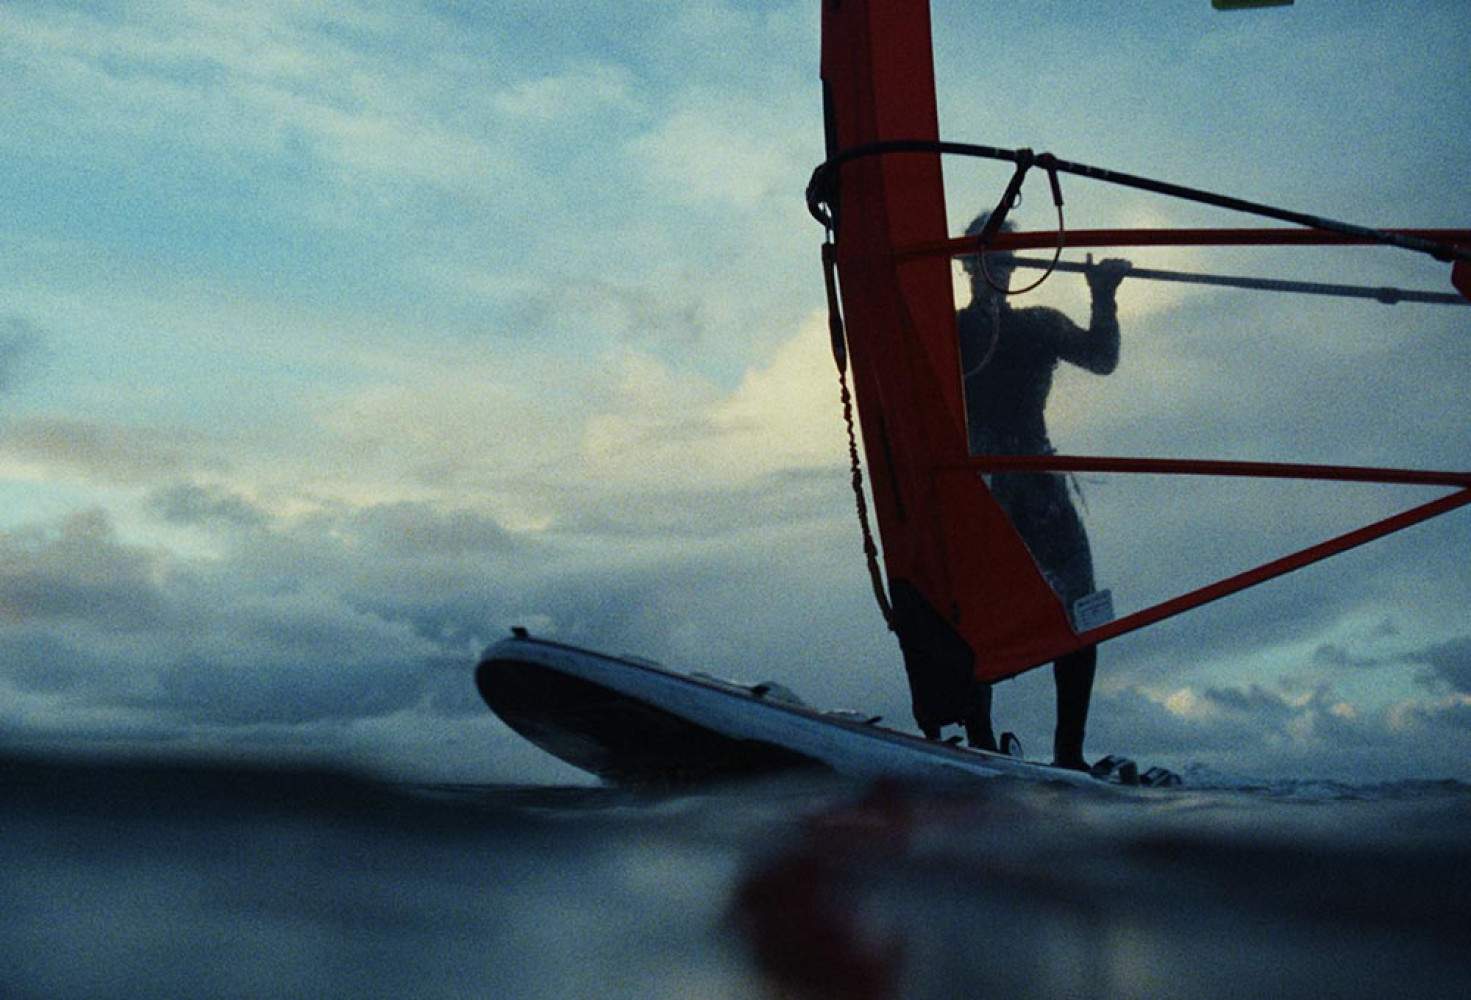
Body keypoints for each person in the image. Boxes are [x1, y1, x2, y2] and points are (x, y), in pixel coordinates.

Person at [954, 211, 1130, 771]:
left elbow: (1101, 359)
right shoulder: (950, 330)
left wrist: (1103, 295)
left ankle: (1069, 753)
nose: (999, 269)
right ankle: (979, 738)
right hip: (983, 486)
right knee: (971, 610)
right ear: (967, 265)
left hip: (1038, 480)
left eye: (1008, 257)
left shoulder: (1038, 324)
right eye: (989, 259)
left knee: (1082, 604)